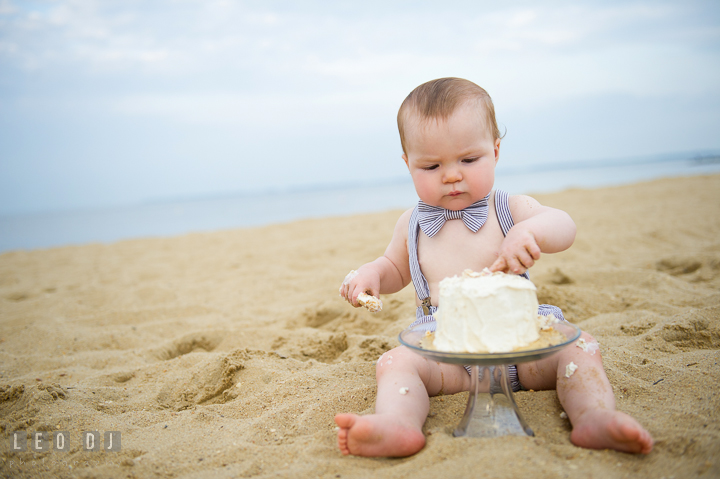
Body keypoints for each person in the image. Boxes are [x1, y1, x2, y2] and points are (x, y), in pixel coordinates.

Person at [335, 77, 654, 457]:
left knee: (581, 349)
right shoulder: (412, 223)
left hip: (521, 345)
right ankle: (397, 423)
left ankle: (595, 417)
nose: (452, 174)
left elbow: (563, 225)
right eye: (432, 165)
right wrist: (372, 275)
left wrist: (528, 232)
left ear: (496, 151)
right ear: (408, 165)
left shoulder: (508, 208)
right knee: (395, 363)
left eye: (469, 160)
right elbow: (394, 268)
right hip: (448, 351)